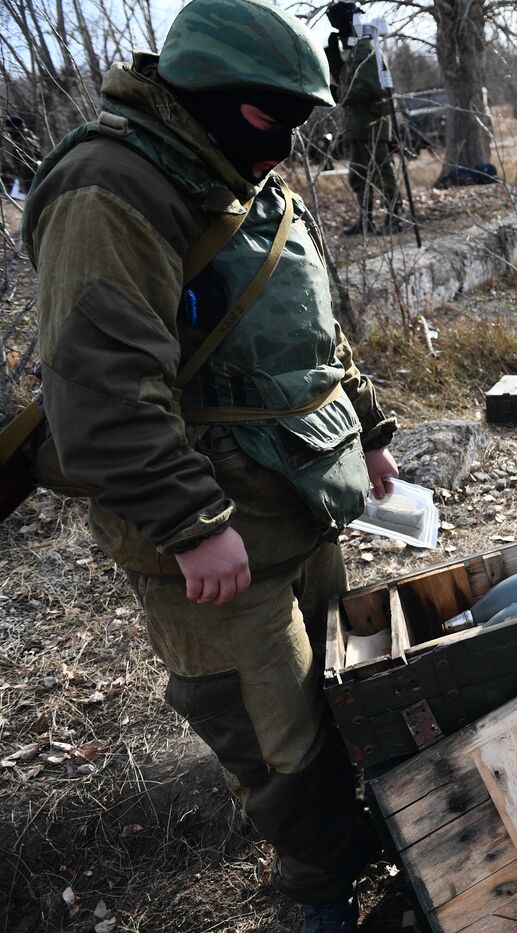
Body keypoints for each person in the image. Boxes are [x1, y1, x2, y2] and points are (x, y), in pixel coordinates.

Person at [20, 0, 397, 928]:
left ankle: (361, 844)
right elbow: (100, 390)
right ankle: (320, 893)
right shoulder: (113, 188)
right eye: (270, 117)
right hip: (221, 544)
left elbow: (305, 334)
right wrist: (192, 522)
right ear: (208, 94)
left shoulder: (241, 175)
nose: (284, 141)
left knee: (339, 697)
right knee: (278, 738)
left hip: (304, 502)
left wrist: (372, 428)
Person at [325, 1, 399, 236]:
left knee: (381, 173)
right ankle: (365, 219)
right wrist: (334, 56)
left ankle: (394, 217)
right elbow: (346, 79)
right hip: (357, 124)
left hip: (373, 123)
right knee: (358, 176)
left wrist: (339, 94)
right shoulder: (355, 51)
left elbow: (372, 87)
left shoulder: (366, 49)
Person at [1, 111, 41, 197]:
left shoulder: (24, 140)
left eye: (9, 129)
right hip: (33, 175)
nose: (8, 132)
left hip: (31, 177)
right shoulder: (26, 135)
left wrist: (24, 180)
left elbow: (28, 163)